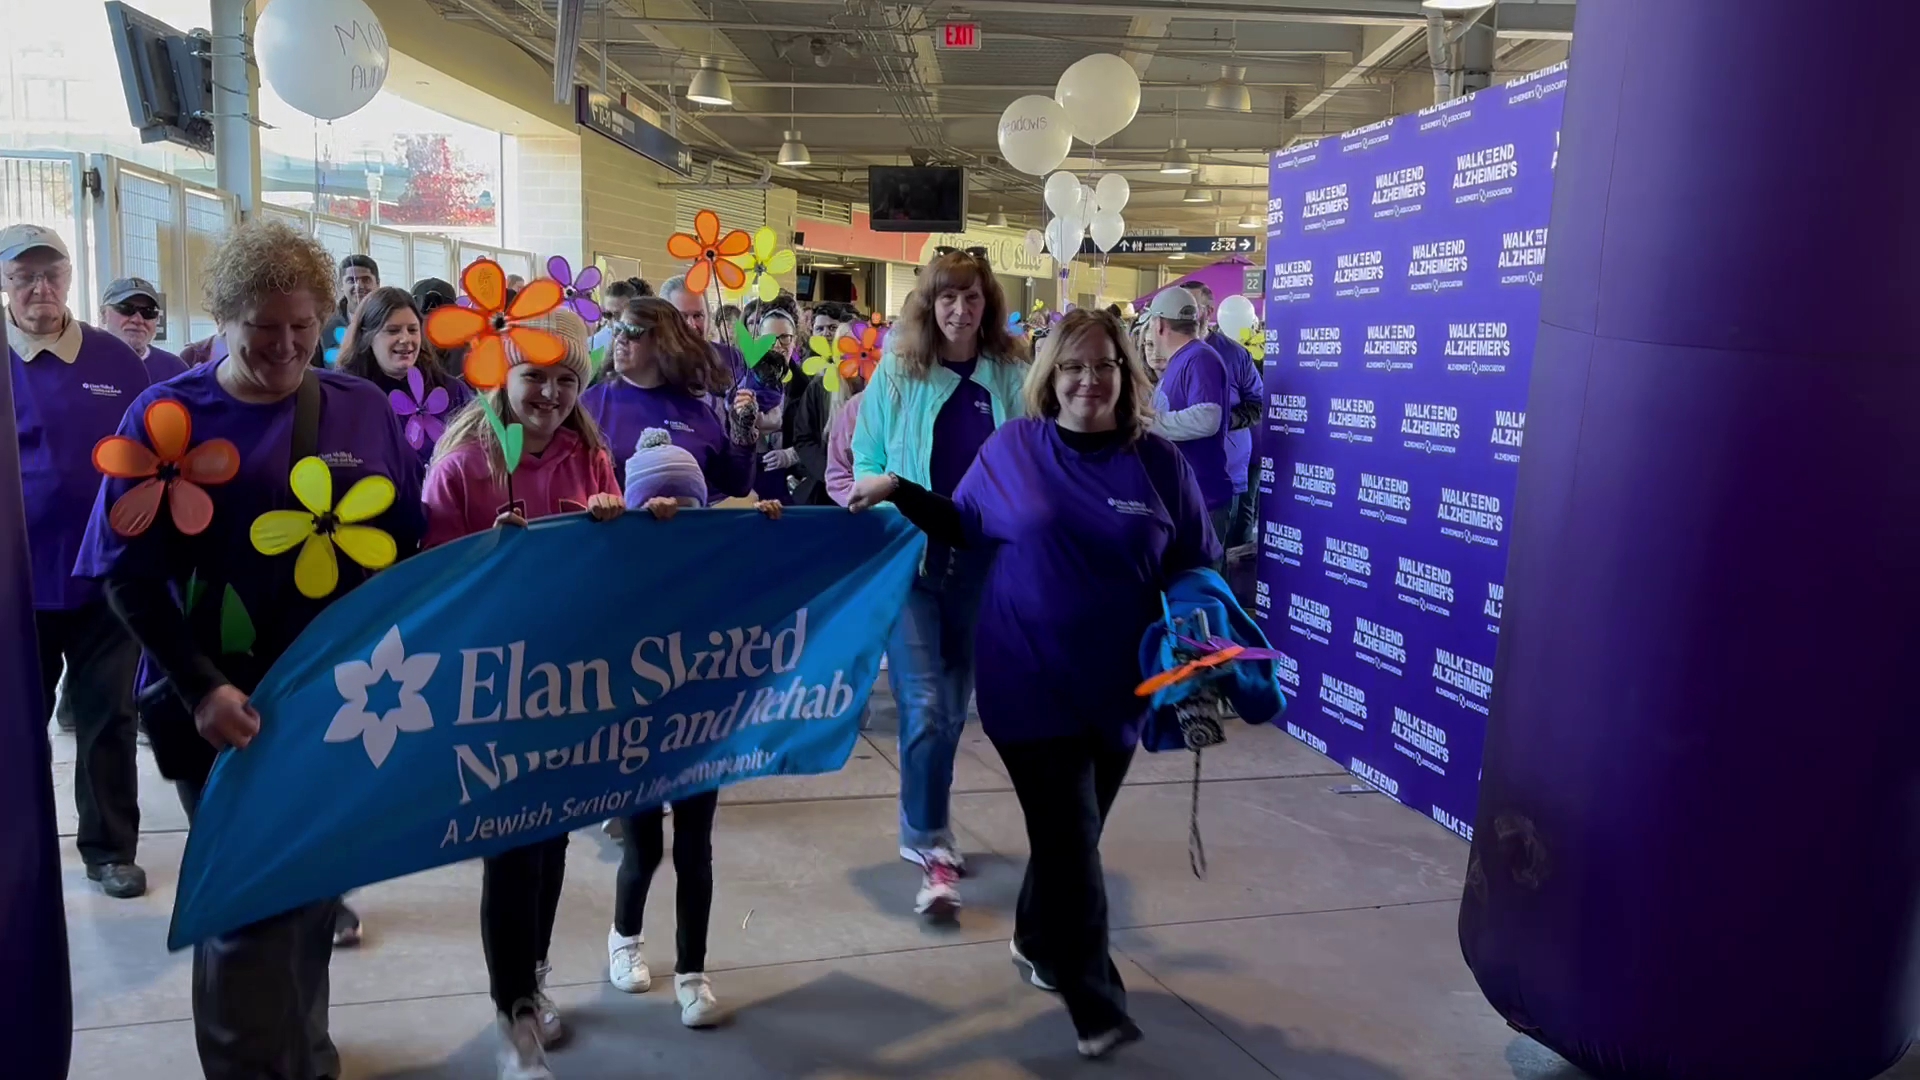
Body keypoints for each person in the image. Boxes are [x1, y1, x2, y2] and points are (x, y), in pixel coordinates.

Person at [75, 218, 424, 1077]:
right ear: (223, 318)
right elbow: (124, 574)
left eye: (303, 329)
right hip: (222, 704)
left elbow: (408, 543)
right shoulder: (166, 415)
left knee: (309, 885)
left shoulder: (362, 407)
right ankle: (246, 1063)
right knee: (245, 900)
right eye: (263, 331)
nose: (285, 348)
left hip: (336, 698)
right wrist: (198, 687)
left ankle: (306, 1051)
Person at [849, 309, 1216, 1060]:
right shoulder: (1015, 447)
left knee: (1071, 837)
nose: (1089, 379)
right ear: (1052, 376)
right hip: (1028, 678)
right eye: (1074, 366)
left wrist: (1207, 655)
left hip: (1120, 688)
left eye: (1104, 365)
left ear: (1126, 373)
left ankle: (1033, 938)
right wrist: (896, 487)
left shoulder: (1157, 465)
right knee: (1072, 836)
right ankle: (1096, 1005)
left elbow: (1193, 563)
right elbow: (963, 523)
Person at [421, 308, 620, 1080]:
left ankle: (531, 979)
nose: (549, 392)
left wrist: (617, 522)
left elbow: (617, 568)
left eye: (566, 379)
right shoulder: (464, 465)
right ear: (501, 376)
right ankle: (515, 1013)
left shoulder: (589, 459)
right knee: (512, 844)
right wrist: (483, 554)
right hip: (494, 689)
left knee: (553, 838)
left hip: (567, 682)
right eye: (534, 374)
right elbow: (431, 580)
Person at [851, 248, 1027, 918]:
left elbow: (1033, 452)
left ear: (988, 305)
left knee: (953, 708)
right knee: (926, 704)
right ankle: (930, 840)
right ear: (930, 304)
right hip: (914, 564)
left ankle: (922, 822)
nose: (959, 310)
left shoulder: (1011, 372)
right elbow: (865, 455)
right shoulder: (898, 371)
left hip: (986, 567)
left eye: (973, 298)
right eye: (947, 298)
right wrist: (887, 504)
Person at [608, 431, 782, 1032]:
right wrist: (618, 525)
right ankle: (624, 937)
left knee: (694, 850)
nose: (673, 516)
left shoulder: (718, 559)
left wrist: (767, 528)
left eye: (687, 506)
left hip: (701, 728)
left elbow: (771, 582)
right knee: (644, 847)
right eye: (659, 505)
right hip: (636, 734)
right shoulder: (621, 560)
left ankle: (692, 972)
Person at [5, 223, 153, 899]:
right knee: (15, 722)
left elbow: (147, 454)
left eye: (52, 273)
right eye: (23, 275)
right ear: (4, 283)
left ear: (69, 278)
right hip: (16, 581)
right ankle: (19, 848)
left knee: (107, 718)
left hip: (103, 575)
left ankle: (109, 850)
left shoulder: (115, 360)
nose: (40, 288)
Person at [579, 295, 759, 488]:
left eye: (633, 331)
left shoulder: (697, 412)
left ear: (663, 342)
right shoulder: (589, 406)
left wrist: (742, 433)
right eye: (618, 329)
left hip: (683, 517)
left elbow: (737, 484)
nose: (621, 338)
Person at [338, 285, 474, 477]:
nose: (405, 339)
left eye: (412, 330)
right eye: (393, 331)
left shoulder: (452, 391)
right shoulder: (345, 395)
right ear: (367, 336)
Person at [1142, 288, 1235, 546]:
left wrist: (1150, 422)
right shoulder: (1186, 359)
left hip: (1203, 500)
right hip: (1186, 499)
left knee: (1199, 581)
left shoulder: (1199, 358)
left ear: (1159, 325)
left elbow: (1208, 417)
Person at [1182, 283, 1262, 549]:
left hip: (1225, 471)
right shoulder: (1162, 351)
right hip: (1178, 472)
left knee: (1220, 554)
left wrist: (1224, 421)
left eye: (1191, 308)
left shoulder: (1235, 354)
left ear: (1209, 311)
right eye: (1180, 308)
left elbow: (1258, 403)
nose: (1185, 316)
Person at [742, 308, 801, 503]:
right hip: (750, 481)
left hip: (792, 486)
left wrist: (793, 454)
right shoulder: (742, 380)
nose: (776, 345)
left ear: (795, 341)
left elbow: (821, 438)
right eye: (769, 338)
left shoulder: (807, 385)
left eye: (784, 338)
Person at [660, 274, 746, 388]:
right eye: (682, 317)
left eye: (698, 315)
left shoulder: (730, 357)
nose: (692, 325)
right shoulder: (653, 364)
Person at [100, 276, 188, 380]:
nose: (138, 320)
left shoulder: (175, 370)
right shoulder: (85, 364)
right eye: (126, 309)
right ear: (104, 314)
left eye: (148, 312)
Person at [315, 254, 380, 366]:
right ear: (341, 284)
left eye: (366, 280)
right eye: (351, 280)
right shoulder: (324, 322)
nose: (358, 286)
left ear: (378, 283)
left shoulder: (388, 320)